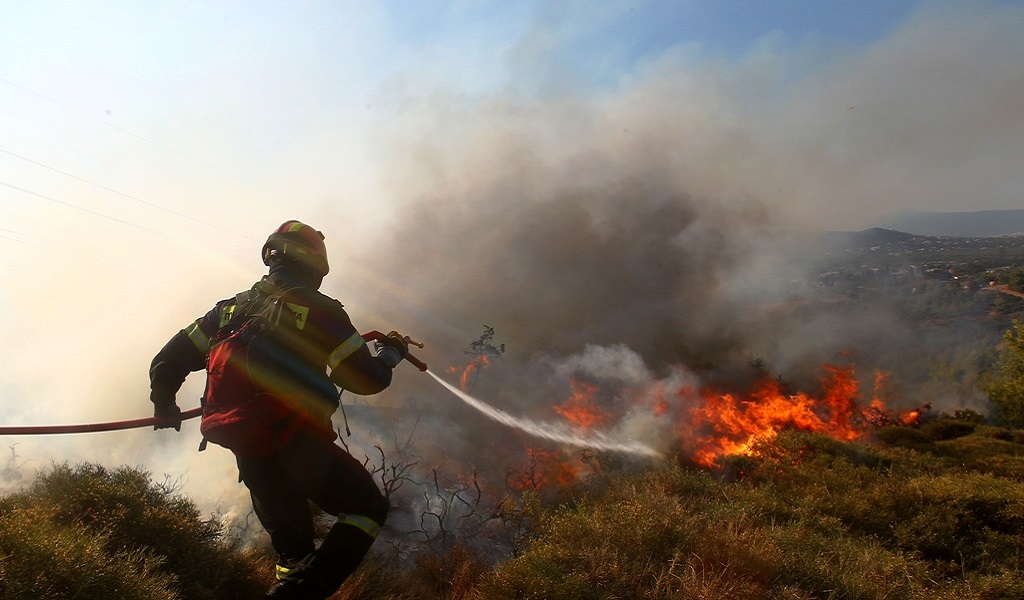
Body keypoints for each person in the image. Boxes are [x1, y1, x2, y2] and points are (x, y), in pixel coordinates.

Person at [149, 220, 409, 599]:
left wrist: (164, 404)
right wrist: (390, 354)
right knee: (366, 509)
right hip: (298, 443)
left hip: (250, 451)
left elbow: (167, 361)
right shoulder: (321, 310)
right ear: (316, 265)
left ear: (271, 257)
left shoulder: (229, 310)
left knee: (294, 555)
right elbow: (367, 380)